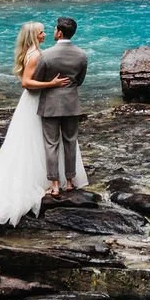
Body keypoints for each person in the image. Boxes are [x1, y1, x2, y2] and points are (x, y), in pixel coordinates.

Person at [0, 21, 72, 228]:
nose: (45, 34)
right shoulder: (36, 55)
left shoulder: (33, 52)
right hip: (35, 101)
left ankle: (46, 177)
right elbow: (27, 83)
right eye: (41, 32)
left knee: (35, 140)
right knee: (36, 140)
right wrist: (53, 84)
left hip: (33, 101)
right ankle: (40, 180)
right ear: (34, 36)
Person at [32, 16, 89, 196]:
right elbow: (79, 81)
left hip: (50, 105)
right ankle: (70, 181)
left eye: (55, 30)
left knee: (51, 144)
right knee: (70, 142)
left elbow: (37, 79)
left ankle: (55, 184)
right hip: (71, 104)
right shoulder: (81, 55)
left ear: (59, 32)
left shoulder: (46, 55)